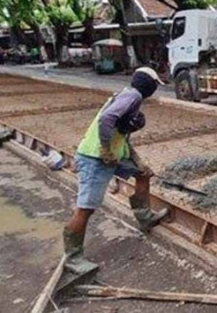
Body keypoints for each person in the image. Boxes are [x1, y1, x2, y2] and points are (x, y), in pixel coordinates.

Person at [64, 67, 168, 268]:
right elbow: (106, 119)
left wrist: (139, 162)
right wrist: (105, 150)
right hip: (95, 158)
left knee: (143, 175)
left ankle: (144, 217)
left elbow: (123, 138)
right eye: (155, 85)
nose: (155, 89)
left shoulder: (128, 101)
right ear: (148, 84)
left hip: (113, 157)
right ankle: (73, 258)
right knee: (85, 209)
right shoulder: (133, 96)